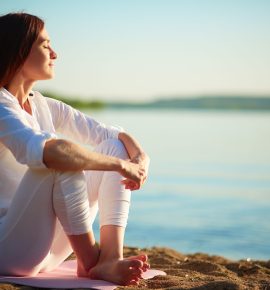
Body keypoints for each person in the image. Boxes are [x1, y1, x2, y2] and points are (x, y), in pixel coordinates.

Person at [0, 12, 150, 286]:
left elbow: (112, 134)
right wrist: (119, 166)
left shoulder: (44, 105)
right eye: (45, 45)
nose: (54, 53)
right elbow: (50, 151)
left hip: (47, 250)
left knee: (114, 147)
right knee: (59, 159)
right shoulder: (1, 106)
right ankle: (91, 261)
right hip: (8, 249)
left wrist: (139, 156)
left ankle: (108, 258)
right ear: (18, 50)